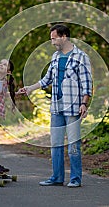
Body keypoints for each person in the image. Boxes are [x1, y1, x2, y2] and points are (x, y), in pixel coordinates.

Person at [17, 24, 92, 188]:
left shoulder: (81, 57)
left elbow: (87, 83)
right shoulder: (55, 57)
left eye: (54, 38)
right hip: (57, 108)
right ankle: (57, 177)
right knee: (56, 144)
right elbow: (46, 80)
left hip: (73, 107)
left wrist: (84, 103)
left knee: (73, 144)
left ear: (64, 37)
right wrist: (29, 88)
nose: (52, 42)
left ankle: (75, 178)